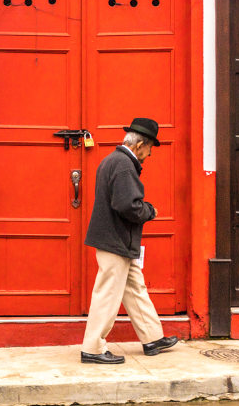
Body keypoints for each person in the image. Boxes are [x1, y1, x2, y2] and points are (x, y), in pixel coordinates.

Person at [80, 117, 178, 364]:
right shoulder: (124, 165)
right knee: (108, 294)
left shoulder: (112, 160)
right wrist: (149, 210)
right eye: (150, 148)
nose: (150, 154)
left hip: (117, 240)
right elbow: (127, 206)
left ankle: (152, 338)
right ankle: (92, 349)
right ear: (140, 145)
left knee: (134, 288)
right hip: (116, 240)